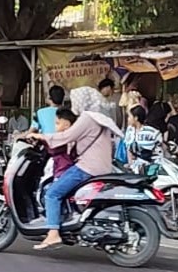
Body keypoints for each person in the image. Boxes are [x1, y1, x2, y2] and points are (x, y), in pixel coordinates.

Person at [32, 86, 119, 250]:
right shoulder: (100, 118)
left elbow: (67, 136)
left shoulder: (87, 118)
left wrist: (40, 136)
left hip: (87, 167)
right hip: (103, 167)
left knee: (52, 193)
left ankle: (53, 234)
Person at [49, 108, 78, 178]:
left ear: (66, 125)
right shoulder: (74, 137)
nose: (55, 126)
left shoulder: (64, 139)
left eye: (57, 123)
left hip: (63, 172)